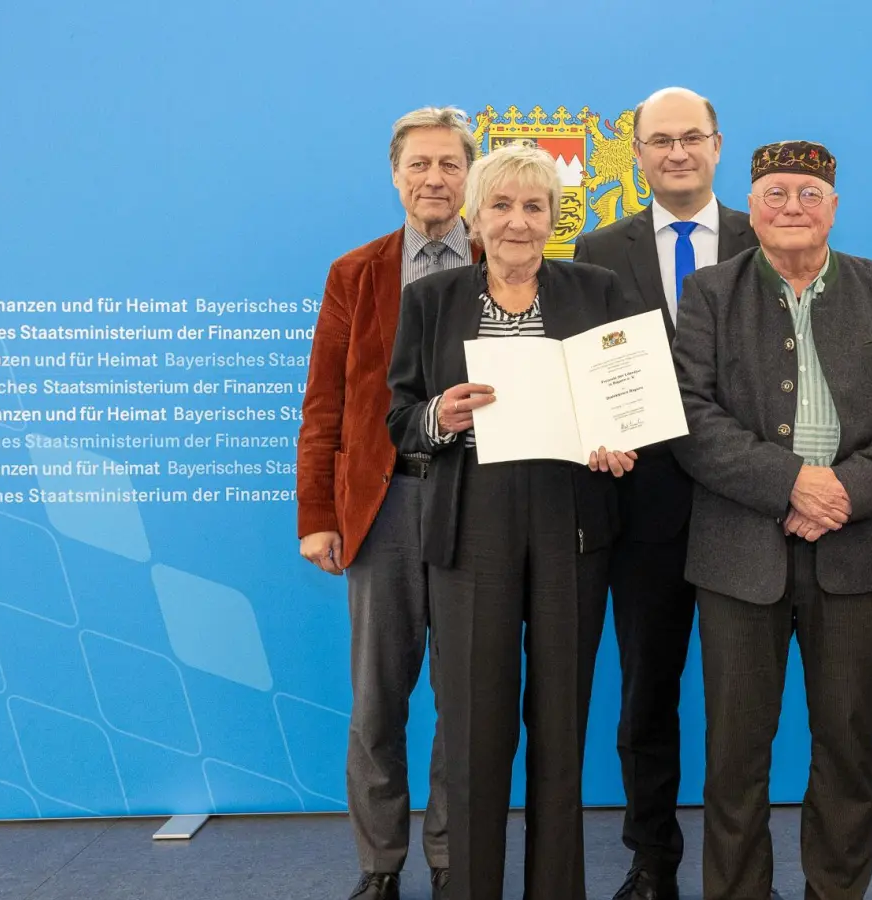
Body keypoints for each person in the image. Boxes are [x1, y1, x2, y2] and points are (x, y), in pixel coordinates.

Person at [672, 140, 872, 900]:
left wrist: (846, 492)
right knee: (733, 755)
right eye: (774, 194)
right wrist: (792, 483)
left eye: (808, 195)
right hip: (737, 557)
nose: (791, 207)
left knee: (847, 748)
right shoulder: (709, 295)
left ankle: (837, 890)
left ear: (834, 206)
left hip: (858, 552)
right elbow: (689, 415)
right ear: (750, 206)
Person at [386, 141, 644, 900]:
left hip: (573, 525)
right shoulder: (431, 301)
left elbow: (629, 402)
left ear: (556, 218)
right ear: (475, 212)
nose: (517, 222)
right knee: (474, 731)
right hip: (470, 529)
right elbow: (398, 417)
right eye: (501, 205)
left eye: (535, 207)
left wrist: (619, 441)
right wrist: (440, 413)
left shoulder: (596, 290)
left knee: (560, 729)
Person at [572, 86, 757, 900]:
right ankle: (653, 858)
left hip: (749, 508)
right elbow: (583, 371)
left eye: (691, 138)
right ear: (637, 153)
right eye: (659, 141)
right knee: (648, 693)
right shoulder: (598, 246)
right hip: (641, 507)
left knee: (744, 701)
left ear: (718, 145)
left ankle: (741, 868)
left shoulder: (767, 235)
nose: (676, 153)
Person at [296, 106, 477, 900]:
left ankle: (451, 856)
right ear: (395, 175)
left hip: (481, 503)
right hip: (385, 505)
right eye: (420, 165)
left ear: (469, 174)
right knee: (378, 699)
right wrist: (317, 516)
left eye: (449, 164)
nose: (434, 178)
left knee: (467, 695)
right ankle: (379, 864)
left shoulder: (508, 261)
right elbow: (324, 405)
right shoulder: (356, 273)